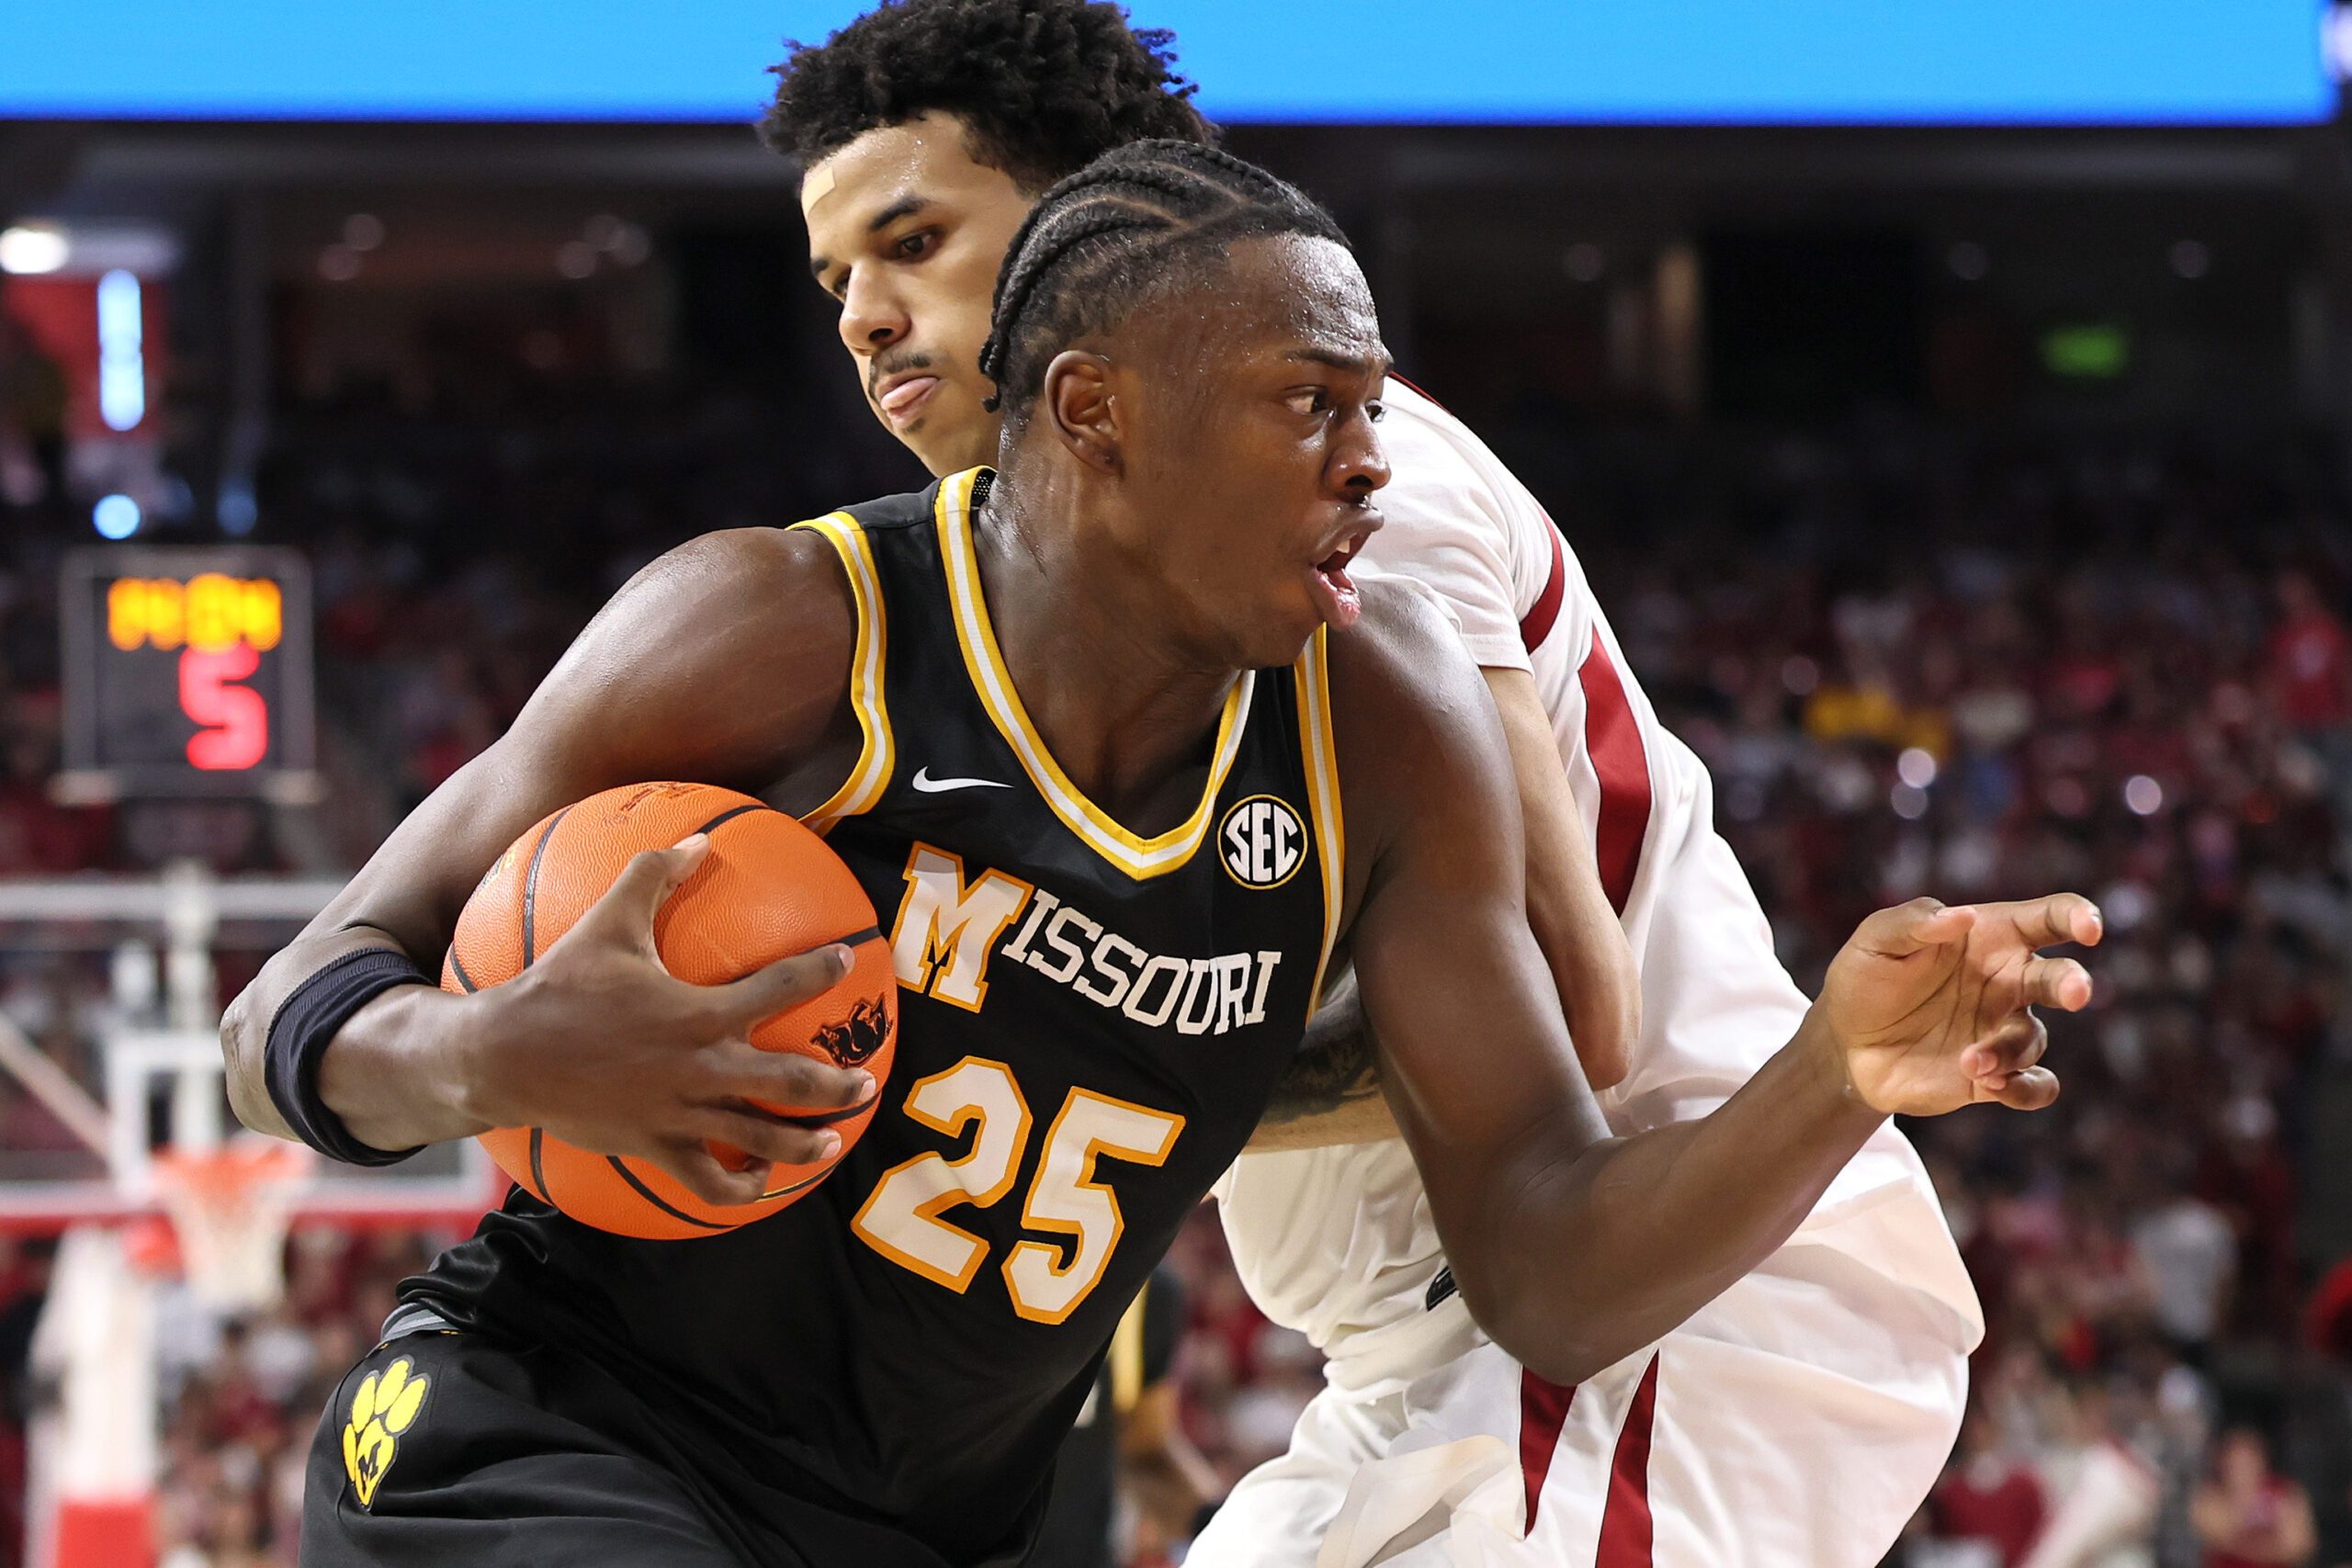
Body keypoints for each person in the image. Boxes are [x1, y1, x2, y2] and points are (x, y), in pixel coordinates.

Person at [223, 143, 2091, 1567]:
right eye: (1310, 403)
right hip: (549, 1434)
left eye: (1369, 405)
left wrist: (1833, 1072)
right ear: (1092, 411)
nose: (1370, 461)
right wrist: (484, 1055)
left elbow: (1545, 1259)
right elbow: (291, 1000)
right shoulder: (790, 627)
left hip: (927, 1512)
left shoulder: (1384, 719)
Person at [763, 5, 2001, 1562]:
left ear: (1097, 219)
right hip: (1458, 1353)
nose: (866, 314)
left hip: (1662, 1301)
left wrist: (1079, 1056)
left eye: (915, 241)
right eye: (839, 280)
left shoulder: (1324, 486)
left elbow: (1572, 993)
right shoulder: (1079, 560)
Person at [2192, 1427, 2316, 1568]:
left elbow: (2298, 1546)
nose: (2239, 1468)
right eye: (2233, 1461)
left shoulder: (2285, 1492)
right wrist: (2271, 1541)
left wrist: (2246, 1543)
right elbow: (2217, 1536)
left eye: (2246, 1460)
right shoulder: (2211, 1494)